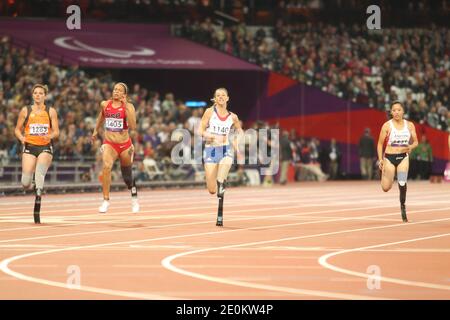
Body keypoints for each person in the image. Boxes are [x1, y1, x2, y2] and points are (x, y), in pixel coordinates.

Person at [14, 84, 60, 224]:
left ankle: (38, 194)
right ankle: (33, 182)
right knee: (25, 183)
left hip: (45, 147)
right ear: (32, 95)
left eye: (41, 93)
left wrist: (50, 137)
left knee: (40, 174)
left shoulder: (51, 111)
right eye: (35, 93)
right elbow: (17, 129)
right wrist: (22, 138)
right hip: (29, 147)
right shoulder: (25, 110)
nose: (38, 95)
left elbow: (56, 132)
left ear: (45, 96)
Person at [91, 82, 139, 213]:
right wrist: (96, 130)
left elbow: (133, 126)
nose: (116, 91)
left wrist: (126, 106)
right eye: (114, 89)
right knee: (106, 167)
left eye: (119, 90)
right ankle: (105, 200)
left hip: (125, 146)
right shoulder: (105, 104)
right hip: (109, 144)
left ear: (124, 94)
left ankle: (133, 194)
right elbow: (101, 116)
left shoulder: (129, 107)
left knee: (127, 178)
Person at [198, 88, 243, 226]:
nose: (221, 97)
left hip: (225, 149)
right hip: (211, 150)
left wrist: (236, 142)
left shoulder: (233, 116)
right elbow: (200, 130)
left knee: (221, 178)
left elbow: (240, 131)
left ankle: (222, 182)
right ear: (215, 99)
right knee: (212, 190)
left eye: (223, 95)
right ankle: (219, 185)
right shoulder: (209, 112)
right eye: (218, 95)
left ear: (228, 98)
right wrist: (210, 135)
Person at [377, 101, 418, 222]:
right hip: (389, 158)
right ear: (391, 112)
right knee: (385, 188)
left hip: (403, 158)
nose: (396, 112)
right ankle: (385, 174)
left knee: (402, 181)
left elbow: (416, 142)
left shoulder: (409, 125)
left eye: (399, 110)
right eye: (394, 110)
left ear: (403, 111)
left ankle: (403, 207)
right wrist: (380, 159)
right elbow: (379, 144)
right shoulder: (387, 126)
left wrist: (411, 147)